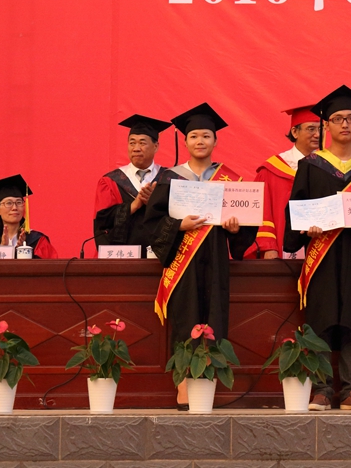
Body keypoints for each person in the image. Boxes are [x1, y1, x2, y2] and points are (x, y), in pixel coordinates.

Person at [142, 102, 256, 410]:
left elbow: (246, 228)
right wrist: (179, 225)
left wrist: (235, 230)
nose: (200, 141)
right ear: (185, 142)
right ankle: (183, 384)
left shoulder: (230, 180)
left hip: (216, 259)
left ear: (215, 141)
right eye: (194, 136)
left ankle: (206, 382)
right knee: (185, 318)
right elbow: (152, 224)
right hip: (184, 261)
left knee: (213, 317)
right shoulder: (170, 178)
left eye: (206, 136)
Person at [284, 85, 351, 412]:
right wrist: (306, 228)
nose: (345, 124)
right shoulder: (311, 165)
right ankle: (321, 389)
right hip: (322, 255)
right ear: (325, 126)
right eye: (338, 119)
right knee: (321, 317)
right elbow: (295, 212)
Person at [93, 114, 173, 251]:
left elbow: (179, 220)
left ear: (156, 146)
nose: (136, 148)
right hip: (125, 256)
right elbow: (102, 223)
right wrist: (133, 206)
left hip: (160, 255)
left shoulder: (170, 178)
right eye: (132, 143)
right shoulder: (111, 181)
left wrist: (154, 203)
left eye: (142, 143)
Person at [252, 105, 320, 259]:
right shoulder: (272, 170)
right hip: (281, 250)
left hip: (320, 249)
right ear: (295, 132)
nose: (317, 134)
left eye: (321, 129)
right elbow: (262, 211)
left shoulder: (328, 167)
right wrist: (269, 247)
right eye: (311, 129)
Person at [0, 174, 59, 258]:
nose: (15, 208)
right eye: (9, 203)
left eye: (19, 202)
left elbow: (49, 268)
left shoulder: (37, 241)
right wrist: (1, 250)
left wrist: (24, 254)